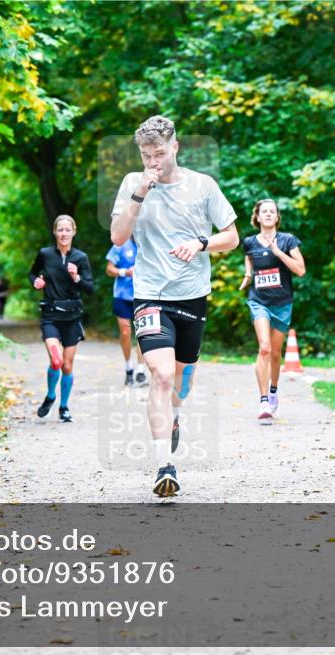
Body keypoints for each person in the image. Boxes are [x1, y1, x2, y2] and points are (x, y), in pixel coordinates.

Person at [110, 115, 239, 497]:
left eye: (160, 154)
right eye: (147, 155)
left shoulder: (203, 186)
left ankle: (175, 416)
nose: (154, 162)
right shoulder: (133, 184)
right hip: (150, 294)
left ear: (175, 148)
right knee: (162, 377)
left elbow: (231, 237)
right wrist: (140, 194)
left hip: (193, 294)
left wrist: (201, 244)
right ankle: (165, 466)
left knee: (181, 382)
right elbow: (119, 237)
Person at [239, 199, 306, 425]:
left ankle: (274, 389)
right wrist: (248, 275)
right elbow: (249, 257)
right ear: (257, 217)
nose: (268, 214)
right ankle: (263, 400)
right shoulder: (249, 242)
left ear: (277, 217)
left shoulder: (288, 240)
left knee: (276, 354)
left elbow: (301, 270)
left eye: (272, 212)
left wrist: (279, 253)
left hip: (282, 303)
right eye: (264, 212)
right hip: (258, 301)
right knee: (265, 348)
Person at [29, 214, 94, 423]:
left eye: (68, 230)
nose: (64, 233)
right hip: (50, 316)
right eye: (60, 230)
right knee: (56, 361)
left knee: (67, 365)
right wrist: (36, 281)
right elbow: (32, 273)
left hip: (72, 317)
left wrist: (77, 277)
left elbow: (90, 288)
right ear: (55, 232)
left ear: (73, 232)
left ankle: (64, 407)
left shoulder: (81, 258)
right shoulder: (45, 254)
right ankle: (50, 395)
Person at [105, 237, 147, 386]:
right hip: (122, 296)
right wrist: (125, 272)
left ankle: (141, 371)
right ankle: (129, 369)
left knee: (142, 333)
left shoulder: (149, 242)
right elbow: (109, 269)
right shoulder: (121, 245)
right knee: (125, 333)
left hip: (143, 295)